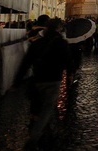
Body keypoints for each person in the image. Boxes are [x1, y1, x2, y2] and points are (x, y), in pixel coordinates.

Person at [13, 16, 69, 150]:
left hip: (38, 78)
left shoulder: (37, 42)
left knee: (38, 105)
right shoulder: (62, 43)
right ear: (59, 28)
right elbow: (67, 62)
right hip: (53, 80)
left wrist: (17, 82)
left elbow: (26, 63)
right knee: (47, 108)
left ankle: (43, 129)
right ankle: (35, 135)